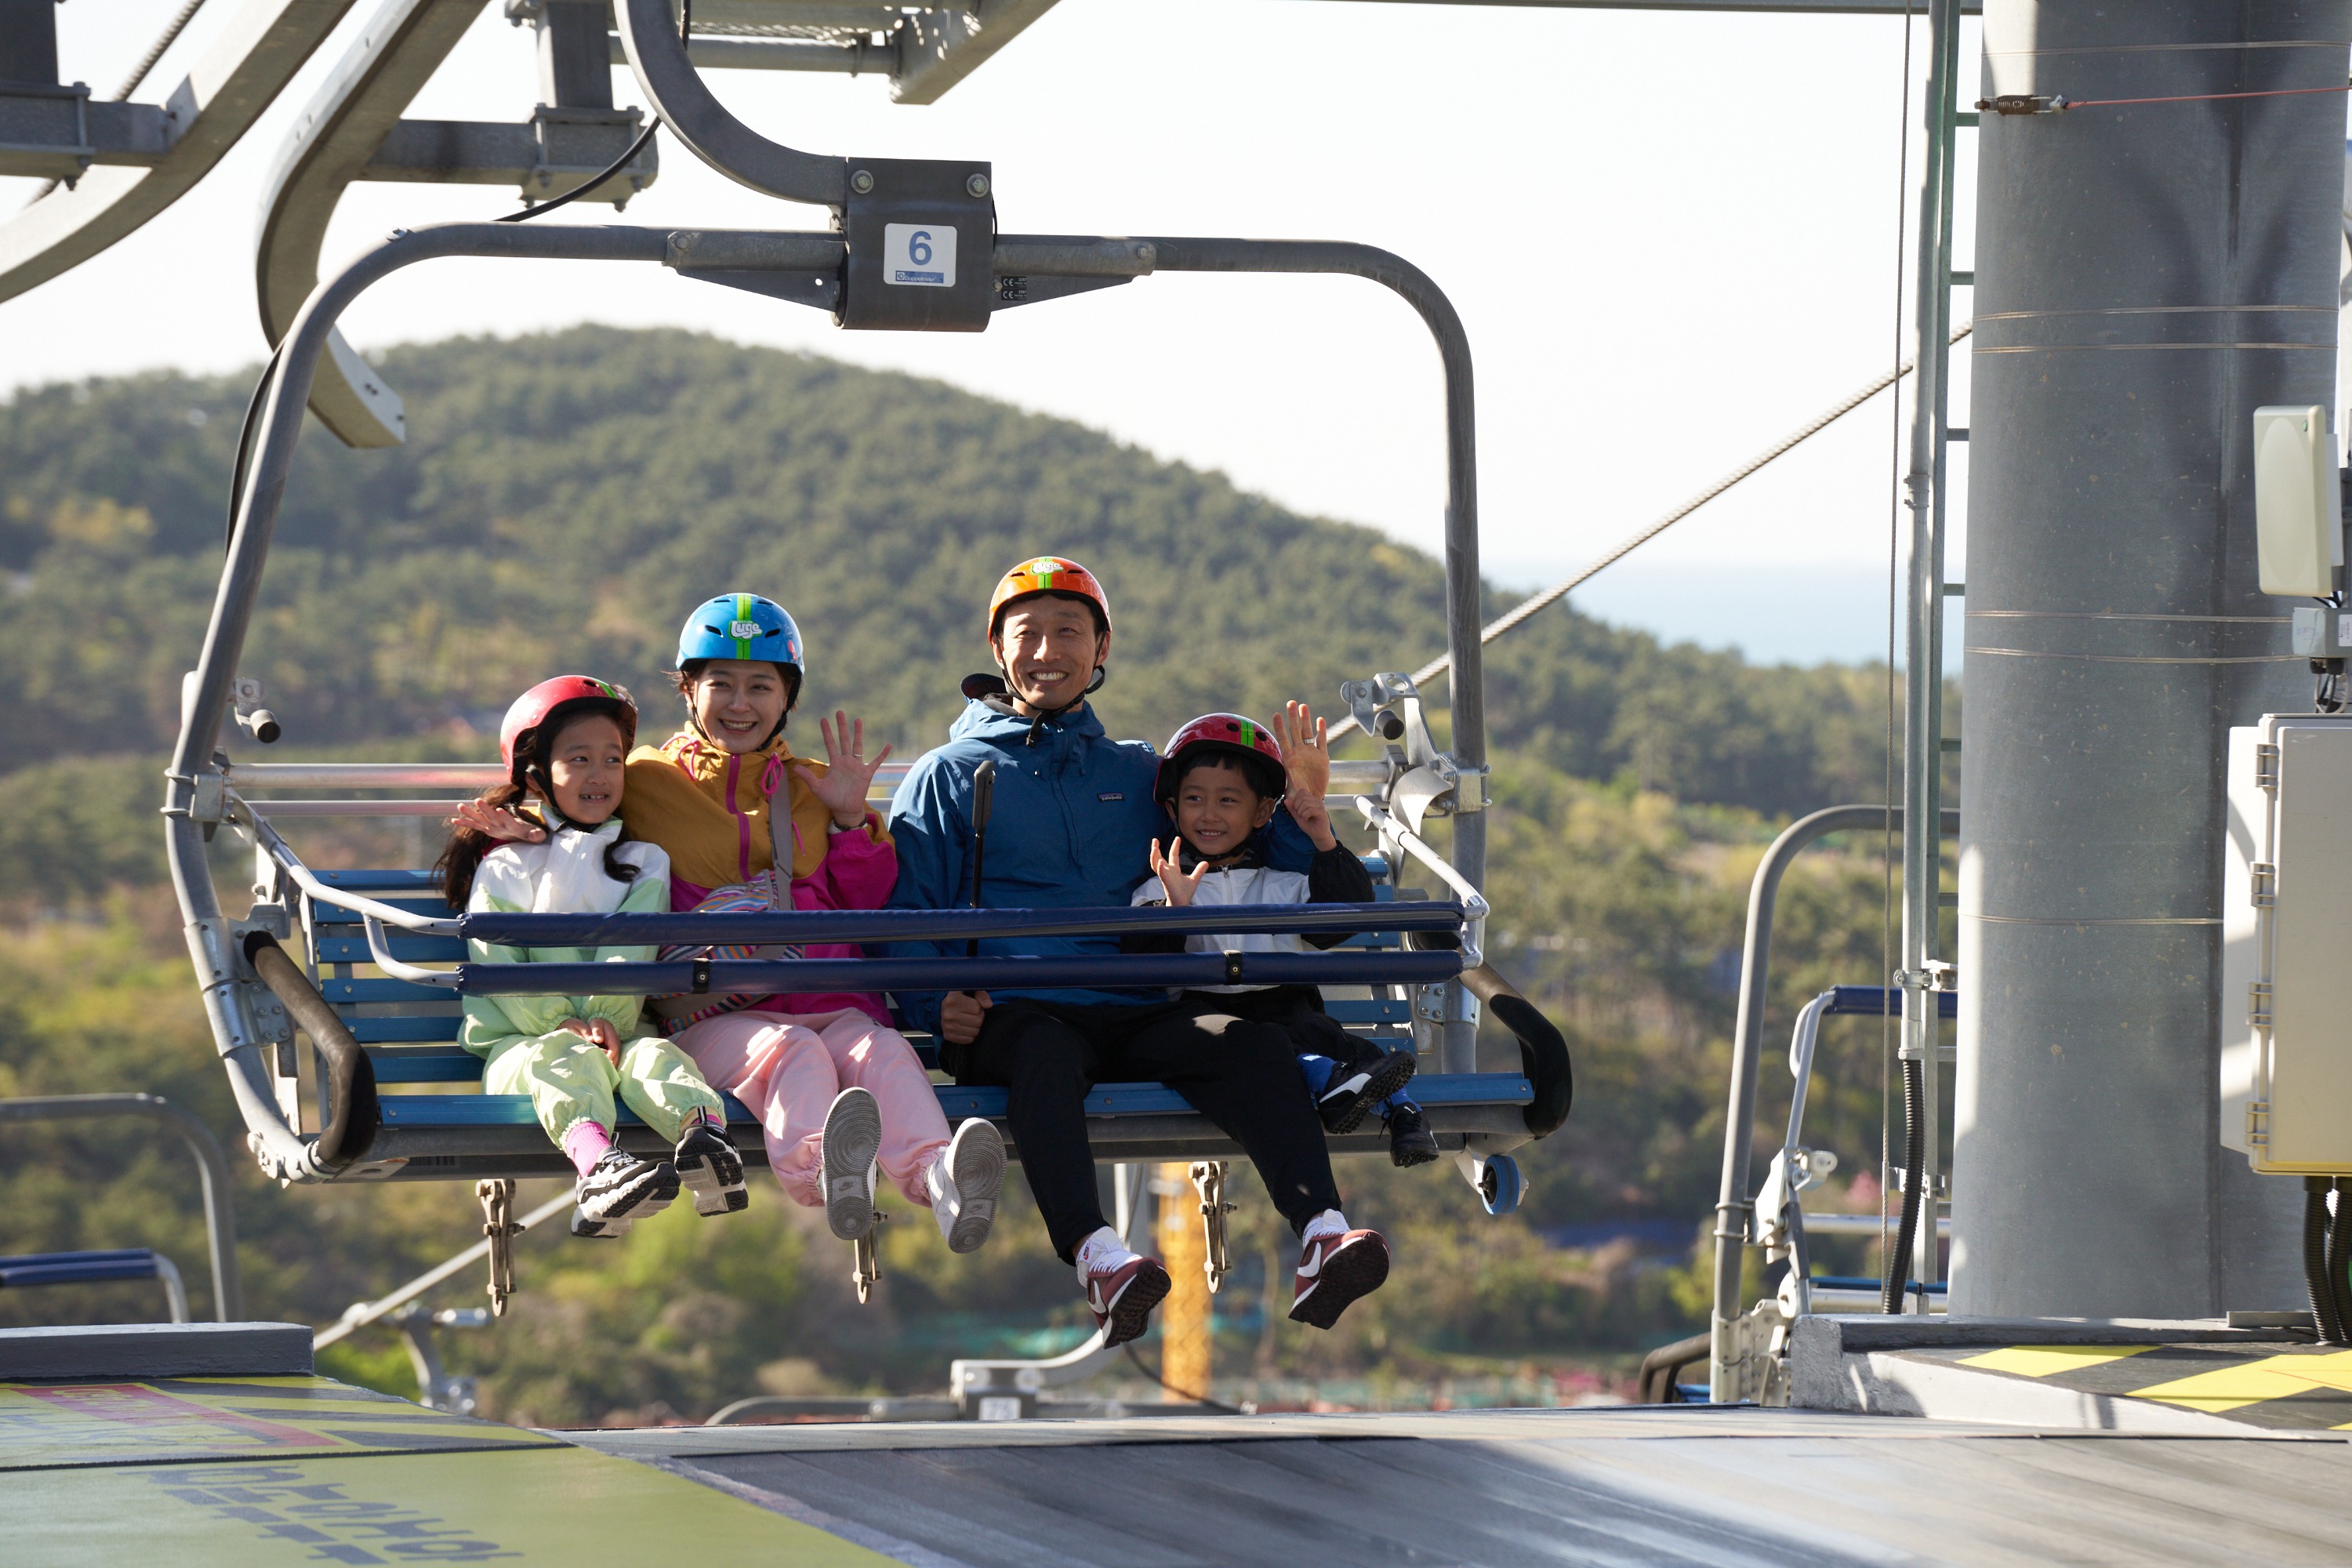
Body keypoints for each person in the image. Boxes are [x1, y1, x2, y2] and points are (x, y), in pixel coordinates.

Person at [886, 555, 1392, 1343]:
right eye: (1029, 634)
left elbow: (1250, 856)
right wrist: (929, 1004)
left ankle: (1322, 1233)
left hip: (1133, 1009)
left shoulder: (1135, 771)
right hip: (1012, 1016)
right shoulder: (950, 776)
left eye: (1069, 632)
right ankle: (1099, 1256)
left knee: (1247, 1041)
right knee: (1047, 1053)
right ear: (997, 648)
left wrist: (1303, 807)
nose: (1048, 650)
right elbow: (908, 912)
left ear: (1101, 648)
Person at [452, 594, 1005, 1259]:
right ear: (689, 690)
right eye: (721, 684)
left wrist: (852, 822)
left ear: (787, 700)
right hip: (717, 1008)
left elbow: (869, 901)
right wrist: (526, 830)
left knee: (880, 1048)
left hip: (828, 995)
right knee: (790, 1053)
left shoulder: (812, 786)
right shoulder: (646, 779)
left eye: (760, 686)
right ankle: (824, 1172)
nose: (740, 703)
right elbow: (581, 813)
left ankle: (937, 1176)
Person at [438, 676, 746, 1239]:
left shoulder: (644, 861)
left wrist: (608, 1018)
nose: (599, 775)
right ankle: (598, 1166)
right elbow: (498, 967)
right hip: (521, 1050)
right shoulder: (507, 866)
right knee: (566, 1057)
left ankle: (705, 1140)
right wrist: (563, 1023)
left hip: (617, 1033)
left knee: (655, 1055)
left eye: (611, 759)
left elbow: (633, 944)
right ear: (537, 775)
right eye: (578, 759)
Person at [1127, 706, 1438, 1167]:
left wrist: (1323, 840)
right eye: (1194, 800)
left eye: (1228, 801)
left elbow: (1341, 920)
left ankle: (1404, 1116)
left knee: (1344, 1044)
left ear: (1262, 813)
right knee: (1274, 1047)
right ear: (1172, 809)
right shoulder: (1160, 885)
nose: (1208, 815)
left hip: (1286, 1005)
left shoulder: (1282, 885)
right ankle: (1331, 1083)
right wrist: (1175, 911)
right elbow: (1145, 967)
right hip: (1210, 1017)